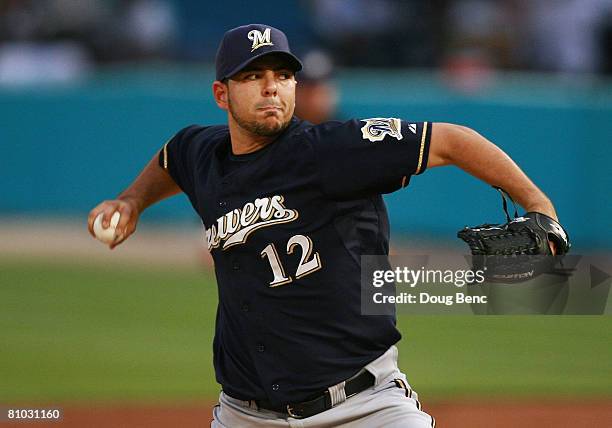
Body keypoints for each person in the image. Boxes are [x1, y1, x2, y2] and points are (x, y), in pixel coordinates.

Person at [88, 24, 561, 427]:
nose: (271, 86)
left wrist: (539, 206)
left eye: (282, 75)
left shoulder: (332, 149)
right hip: (245, 414)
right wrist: (131, 200)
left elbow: (453, 141)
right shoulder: (200, 152)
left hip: (362, 407)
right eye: (252, 76)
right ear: (221, 93)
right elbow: (172, 160)